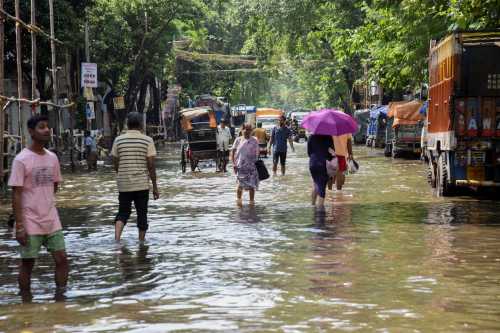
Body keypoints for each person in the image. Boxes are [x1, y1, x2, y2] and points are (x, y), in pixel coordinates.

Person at [8, 115, 69, 300]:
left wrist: (45, 203)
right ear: (31, 132)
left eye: (47, 127)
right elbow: (16, 194)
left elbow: (54, 186)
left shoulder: (53, 158)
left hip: (51, 219)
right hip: (30, 221)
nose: (46, 130)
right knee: (28, 264)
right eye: (41, 127)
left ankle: (61, 299)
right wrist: (19, 226)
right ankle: (26, 302)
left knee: (62, 260)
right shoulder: (21, 160)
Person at [112, 112, 159, 242]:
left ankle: (117, 240)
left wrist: (121, 173)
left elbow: (115, 162)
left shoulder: (118, 140)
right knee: (142, 214)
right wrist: (155, 186)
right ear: (140, 125)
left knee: (123, 213)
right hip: (141, 184)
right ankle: (141, 243)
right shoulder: (147, 140)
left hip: (124, 184)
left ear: (127, 124)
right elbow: (151, 165)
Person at [231, 123, 259, 205]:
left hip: (251, 167)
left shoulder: (254, 140)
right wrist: (233, 164)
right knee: (240, 185)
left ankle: (251, 203)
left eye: (249, 129)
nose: (247, 131)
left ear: (251, 131)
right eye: (246, 129)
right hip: (240, 166)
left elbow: (257, 153)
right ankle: (239, 202)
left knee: (252, 186)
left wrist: (255, 163)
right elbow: (233, 152)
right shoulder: (238, 140)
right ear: (242, 130)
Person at [308, 134, 334, 208]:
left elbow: (309, 152)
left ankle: (313, 206)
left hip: (312, 163)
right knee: (322, 187)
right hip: (323, 164)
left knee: (315, 184)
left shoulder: (311, 137)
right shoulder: (329, 137)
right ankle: (320, 210)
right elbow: (331, 153)